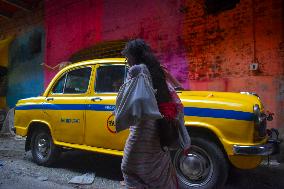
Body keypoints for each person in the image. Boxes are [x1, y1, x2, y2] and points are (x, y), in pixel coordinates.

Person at [116, 39, 190, 189]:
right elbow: (174, 90)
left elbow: (133, 99)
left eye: (128, 56)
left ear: (135, 56)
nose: (127, 60)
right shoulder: (156, 70)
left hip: (143, 126)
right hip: (160, 125)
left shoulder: (137, 70)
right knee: (157, 167)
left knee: (128, 166)